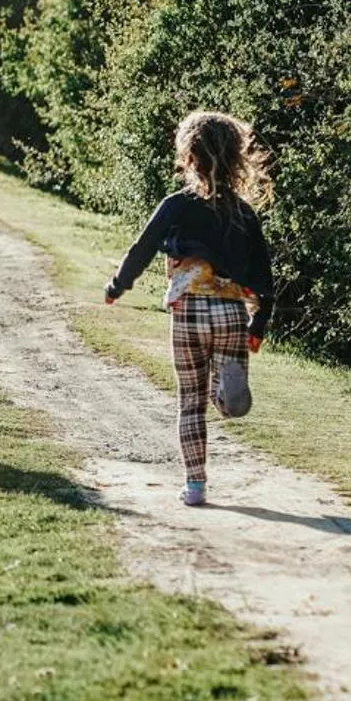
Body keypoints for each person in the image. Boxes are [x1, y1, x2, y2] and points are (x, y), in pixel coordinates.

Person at [103, 111, 275, 507]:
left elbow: (141, 249)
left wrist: (117, 286)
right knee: (227, 402)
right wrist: (259, 323)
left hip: (188, 312)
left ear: (189, 157)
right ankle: (227, 394)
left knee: (189, 401)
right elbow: (264, 272)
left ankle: (195, 485)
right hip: (231, 314)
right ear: (237, 158)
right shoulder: (243, 213)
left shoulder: (176, 205)